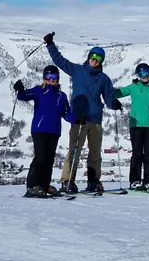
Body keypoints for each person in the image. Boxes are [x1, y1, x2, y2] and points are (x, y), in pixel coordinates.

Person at [43, 32, 121, 194]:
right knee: (74, 150)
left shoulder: (104, 79)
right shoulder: (77, 70)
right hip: (79, 118)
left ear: (101, 61)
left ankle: (93, 181)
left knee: (94, 153)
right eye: (93, 56)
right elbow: (59, 60)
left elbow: (108, 98)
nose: (95, 59)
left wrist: (113, 103)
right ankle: (67, 181)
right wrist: (50, 44)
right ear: (88, 56)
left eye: (98, 58)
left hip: (95, 119)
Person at [14, 66, 79, 198]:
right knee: (41, 158)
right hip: (40, 129)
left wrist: (77, 119)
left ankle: (44, 185)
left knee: (49, 160)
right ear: (44, 78)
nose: (51, 80)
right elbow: (23, 96)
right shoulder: (39, 91)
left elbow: (66, 114)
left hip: (54, 131)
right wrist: (19, 89)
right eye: (48, 78)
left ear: (58, 79)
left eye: (54, 78)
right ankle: (33, 186)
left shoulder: (62, 96)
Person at [113, 63, 149, 191]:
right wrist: (106, 88)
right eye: (142, 74)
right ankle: (135, 180)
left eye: (147, 73)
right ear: (138, 76)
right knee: (137, 153)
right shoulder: (133, 87)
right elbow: (118, 93)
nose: (145, 76)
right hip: (136, 125)